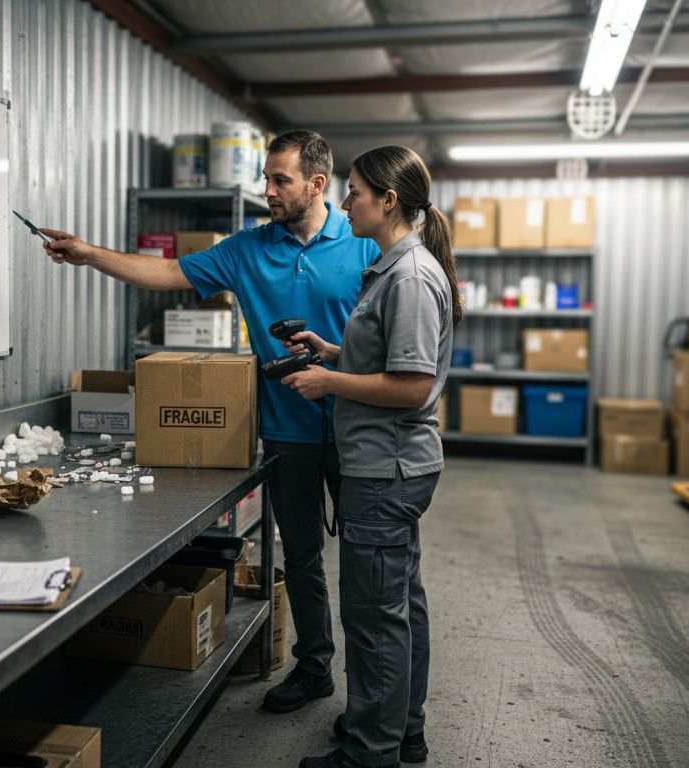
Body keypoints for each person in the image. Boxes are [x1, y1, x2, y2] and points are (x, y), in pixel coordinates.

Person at [37, 130, 380, 714]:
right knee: (300, 558)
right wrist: (91, 254)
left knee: (369, 566)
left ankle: (373, 697)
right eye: (266, 178)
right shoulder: (247, 249)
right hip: (287, 433)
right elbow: (167, 274)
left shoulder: (365, 242)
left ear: (317, 185)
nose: (266, 190)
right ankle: (315, 666)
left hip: (361, 429)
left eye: (280, 180)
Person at [279, 145, 460, 768]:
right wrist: (333, 352)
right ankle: (399, 728)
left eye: (353, 192)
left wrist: (329, 384)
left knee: (375, 618)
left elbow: (410, 385)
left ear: (388, 201)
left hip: (385, 468)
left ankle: (371, 754)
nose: (344, 203)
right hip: (392, 466)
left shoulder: (408, 276)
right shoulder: (395, 267)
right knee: (399, 605)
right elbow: (388, 362)